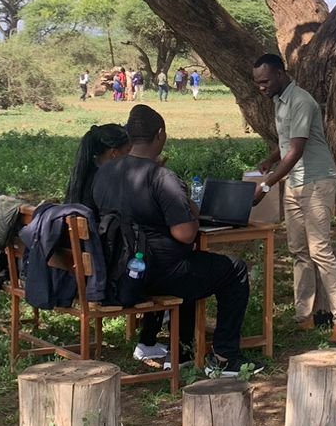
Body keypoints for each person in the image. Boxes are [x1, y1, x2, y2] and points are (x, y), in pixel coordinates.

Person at [91, 105, 248, 375]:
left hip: (119, 269)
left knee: (195, 267)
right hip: (160, 273)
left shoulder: (105, 172)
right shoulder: (161, 177)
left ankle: (184, 351)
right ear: (160, 135)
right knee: (233, 270)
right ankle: (225, 358)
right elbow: (185, 233)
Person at [251, 54, 336, 339]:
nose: (261, 87)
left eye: (265, 81)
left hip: (317, 182)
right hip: (294, 183)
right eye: (257, 83)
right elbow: (286, 143)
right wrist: (271, 159)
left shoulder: (301, 101)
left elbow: (296, 150)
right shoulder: (278, 100)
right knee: (298, 251)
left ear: (281, 74)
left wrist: (267, 185)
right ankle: (304, 315)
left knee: (320, 250)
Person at [65, 122, 130, 211]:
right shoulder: (106, 181)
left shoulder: (85, 172)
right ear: (114, 153)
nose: (131, 155)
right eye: (128, 150)